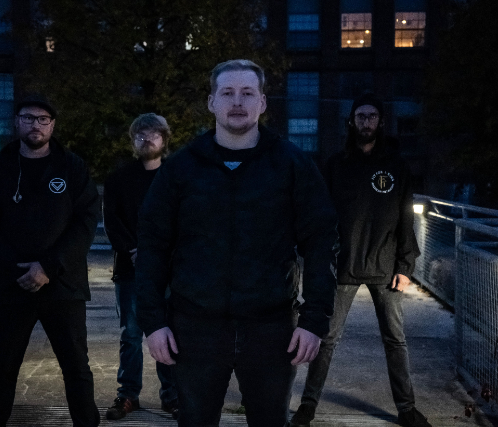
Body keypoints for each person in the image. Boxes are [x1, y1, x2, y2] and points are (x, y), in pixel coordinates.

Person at [135, 59, 338, 427]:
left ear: (262, 102)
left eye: (247, 93)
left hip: (270, 328)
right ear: (211, 102)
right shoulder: (181, 168)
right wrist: (153, 321)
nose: (237, 102)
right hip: (195, 328)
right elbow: (152, 245)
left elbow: (321, 242)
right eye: (227, 93)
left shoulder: (292, 164)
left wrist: (313, 321)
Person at [289, 93, 431, 427]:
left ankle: (406, 409)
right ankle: (308, 406)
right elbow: (321, 215)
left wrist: (405, 266)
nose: (366, 122)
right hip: (344, 266)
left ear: (380, 122)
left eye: (372, 116)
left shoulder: (396, 166)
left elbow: (405, 218)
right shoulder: (336, 165)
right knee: (326, 340)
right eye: (360, 116)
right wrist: (319, 258)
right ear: (351, 122)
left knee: (395, 341)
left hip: (385, 267)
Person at [0, 95, 101, 427]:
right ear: (17, 122)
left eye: (43, 119)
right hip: (11, 286)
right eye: (28, 118)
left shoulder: (72, 166)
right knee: (3, 368)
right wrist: (18, 267)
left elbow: (85, 222)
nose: (36, 125)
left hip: (64, 285)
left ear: (52, 125)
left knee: (76, 367)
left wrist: (48, 267)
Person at [103, 113, 178, 420]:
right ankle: (127, 395)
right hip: (130, 270)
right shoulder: (120, 178)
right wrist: (134, 251)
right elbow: (112, 221)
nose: (147, 139)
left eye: (153, 134)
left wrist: (162, 255)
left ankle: (172, 396)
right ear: (133, 140)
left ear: (164, 139)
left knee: (169, 332)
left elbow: (185, 219)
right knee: (131, 335)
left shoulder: (176, 175)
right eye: (140, 134)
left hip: (170, 271)